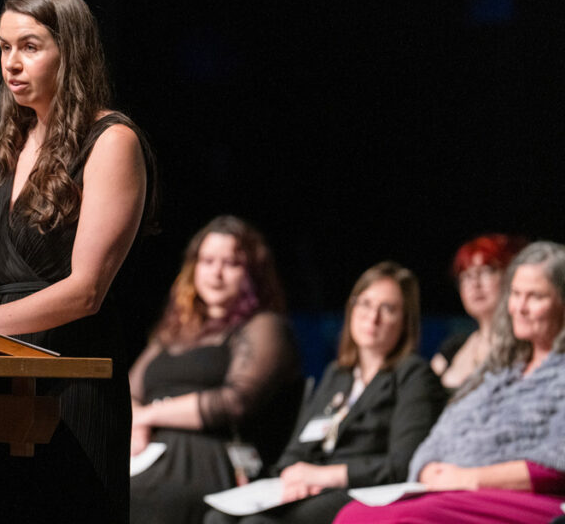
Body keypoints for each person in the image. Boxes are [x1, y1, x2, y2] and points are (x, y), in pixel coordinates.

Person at [0, 0, 156, 524]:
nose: (12, 64)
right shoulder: (4, 148)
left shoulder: (111, 141)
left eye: (30, 46)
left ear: (72, 51)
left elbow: (86, 291)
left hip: (69, 379)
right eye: (3, 47)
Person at [335, 242, 565, 524]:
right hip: (459, 489)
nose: (520, 307)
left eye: (536, 297)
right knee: (354, 514)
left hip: (532, 498)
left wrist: (468, 477)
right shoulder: (498, 372)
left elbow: (556, 461)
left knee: (404, 519)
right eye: (516, 294)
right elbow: (443, 433)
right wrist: (428, 468)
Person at [205, 261, 445, 524]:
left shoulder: (413, 374)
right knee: (218, 517)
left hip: (360, 490)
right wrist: (290, 475)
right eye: (364, 303)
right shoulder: (338, 374)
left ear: (406, 321)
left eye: (387, 309)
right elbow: (298, 447)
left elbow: (403, 463)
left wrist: (327, 475)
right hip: (312, 486)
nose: (372, 317)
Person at [129, 216, 304, 524]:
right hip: (147, 450)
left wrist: (148, 415)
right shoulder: (174, 330)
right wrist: (137, 423)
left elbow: (236, 401)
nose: (216, 273)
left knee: (143, 497)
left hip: (209, 456)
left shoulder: (263, 326)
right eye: (207, 261)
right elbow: (130, 389)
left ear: (253, 273)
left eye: (232, 264)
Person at [431, 234, 526, 390]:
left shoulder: (526, 345)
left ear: (510, 275)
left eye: (486, 271)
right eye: (466, 276)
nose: (475, 283)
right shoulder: (452, 349)